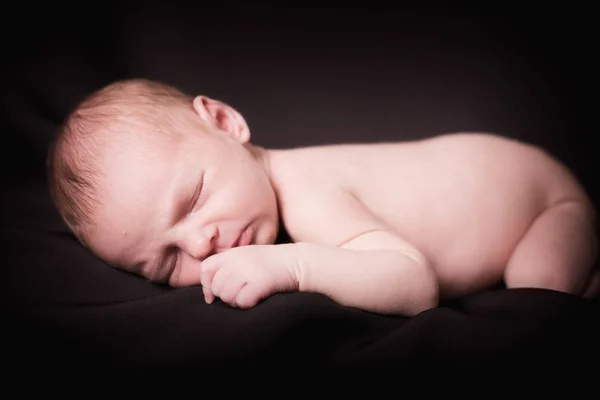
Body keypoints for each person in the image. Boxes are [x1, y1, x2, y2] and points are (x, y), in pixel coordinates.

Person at [46, 78, 600, 317]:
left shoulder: (306, 192)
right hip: (507, 175)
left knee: (537, 294)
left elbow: (415, 283)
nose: (199, 242)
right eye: (166, 262)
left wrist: (292, 267)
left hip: (543, 202)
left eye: (192, 199)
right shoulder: (261, 203)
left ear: (224, 122)